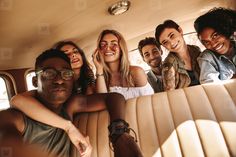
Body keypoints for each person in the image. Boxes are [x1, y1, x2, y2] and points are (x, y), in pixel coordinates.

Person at [9, 49, 143, 157]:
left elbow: (114, 98)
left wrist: (119, 133)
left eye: (66, 74)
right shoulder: (19, 119)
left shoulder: (70, 104)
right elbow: (17, 100)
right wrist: (69, 127)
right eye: (49, 73)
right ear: (34, 81)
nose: (59, 80)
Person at [92, 29, 154, 99]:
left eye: (114, 44)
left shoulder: (136, 72)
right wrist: (99, 69)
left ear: (121, 49)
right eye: (103, 44)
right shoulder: (100, 78)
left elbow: (149, 102)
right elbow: (102, 103)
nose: (108, 48)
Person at [155, 20, 201, 90]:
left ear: (180, 31)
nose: (171, 43)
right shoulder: (168, 64)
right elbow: (170, 94)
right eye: (165, 42)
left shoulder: (195, 49)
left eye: (172, 35)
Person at [194, 7, 236, 83]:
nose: (213, 44)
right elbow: (210, 85)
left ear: (225, 31)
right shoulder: (207, 57)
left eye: (215, 35)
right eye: (206, 42)